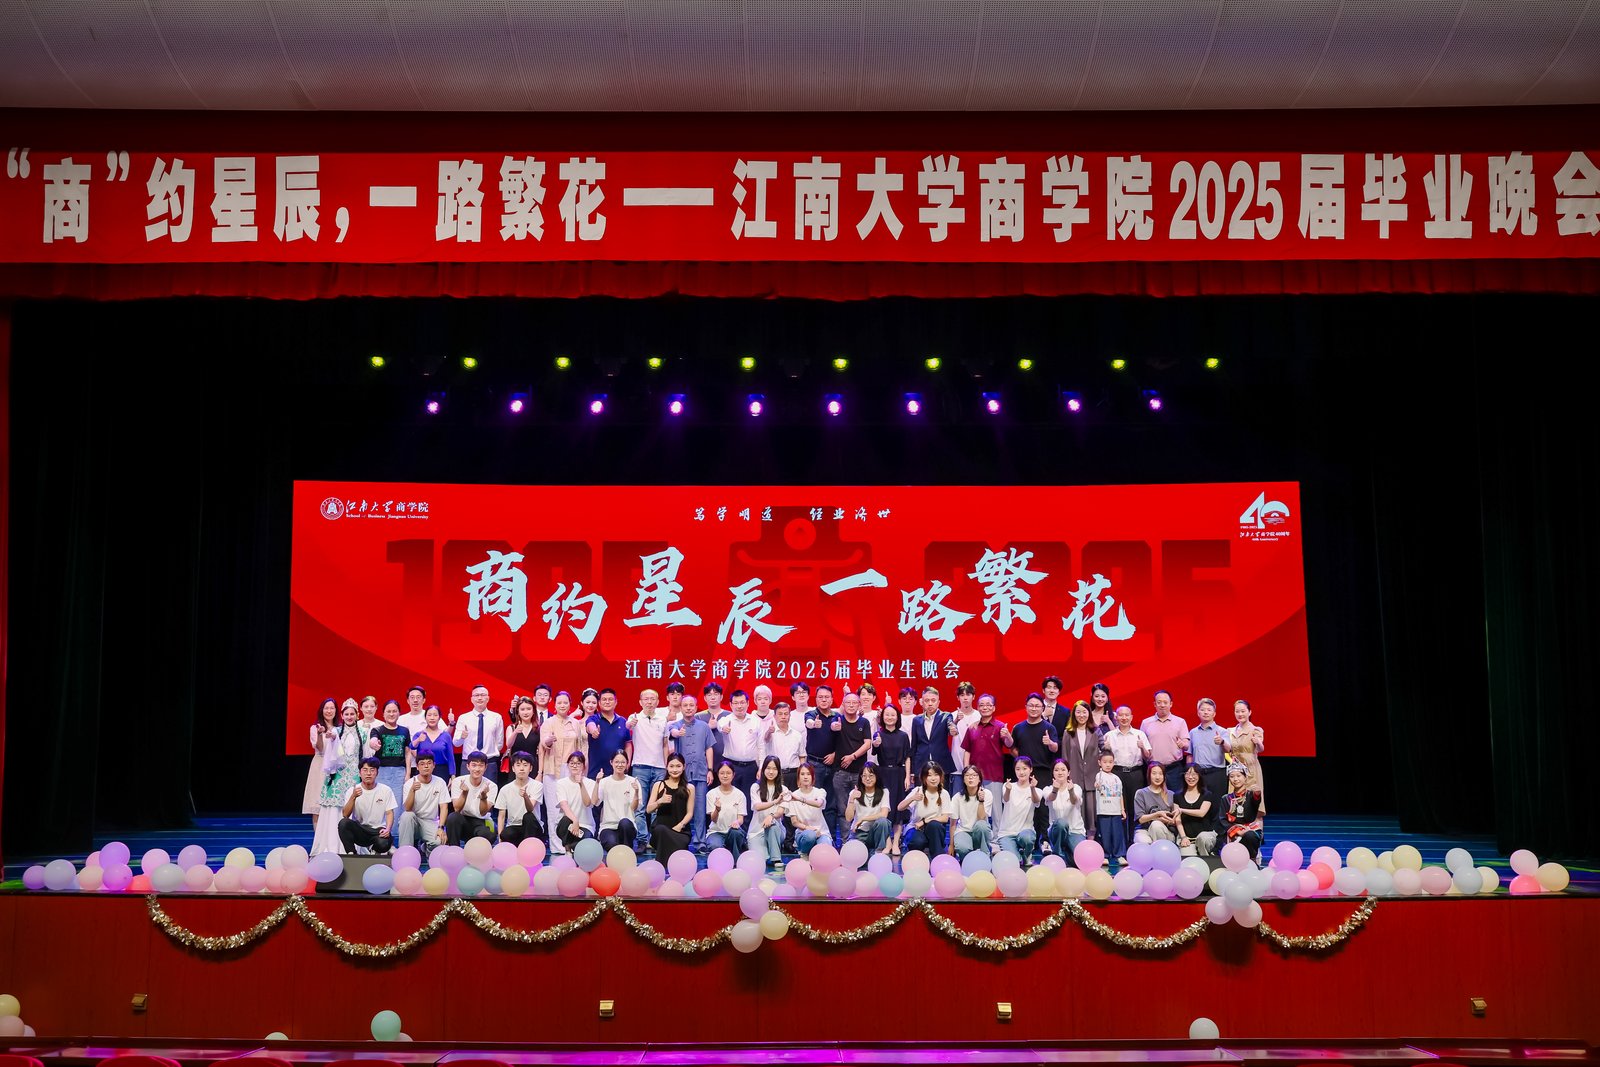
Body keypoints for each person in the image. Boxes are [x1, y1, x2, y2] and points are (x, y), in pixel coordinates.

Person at [1007, 693, 1060, 847]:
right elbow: (1012, 749)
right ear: (1026, 707)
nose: (1034, 708)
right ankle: (1028, 841)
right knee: (1026, 807)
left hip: (1043, 772)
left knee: (1043, 808)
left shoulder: (1049, 727)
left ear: (1042, 708)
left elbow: (1055, 748)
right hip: (1024, 773)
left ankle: (1044, 840)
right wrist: (1022, 762)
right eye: (1031, 705)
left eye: (1037, 706)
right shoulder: (1018, 727)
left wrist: (1050, 743)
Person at [313, 700, 363, 855]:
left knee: (353, 808)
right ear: (342, 715)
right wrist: (333, 739)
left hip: (355, 776)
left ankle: (354, 846)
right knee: (334, 810)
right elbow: (331, 754)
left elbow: (366, 754)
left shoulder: (363, 732)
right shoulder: (336, 730)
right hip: (338, 776)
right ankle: (333, 846)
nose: (349, 716)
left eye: (352, 714)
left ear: (357, 715)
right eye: (346, 714)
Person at [539, 690, 586, 853]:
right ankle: (556, 846)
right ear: (555, 705)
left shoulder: (575, 723)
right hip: (552, 770)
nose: (562, 705)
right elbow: (543, 744)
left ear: (570, 704)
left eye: (565, 702)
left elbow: (580, 747)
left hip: (571, 769)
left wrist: (581, 770)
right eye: (559, 702)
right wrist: (549, 741)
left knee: (570, 807)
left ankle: (570, 843)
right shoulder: (548, 723)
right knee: (553, 810)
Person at [669, 700, 714, 852]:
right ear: (681, 708)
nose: (688, 708)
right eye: (685, 706)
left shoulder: (704, 726)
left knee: (700, 809)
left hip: (701, 772)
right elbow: (672, 732)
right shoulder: (675, 725)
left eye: (691, 705)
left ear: (696, 708)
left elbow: (709, 748)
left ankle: (700, 841)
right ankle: (679, 839)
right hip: (681, 775)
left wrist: (710, 769)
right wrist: (677, 733)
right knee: (680, 808)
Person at [627, 688, 671, 842]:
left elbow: (665, 745)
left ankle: (655, 839)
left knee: (657, 806)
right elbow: (628, 726)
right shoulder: (634, 717)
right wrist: (631, 724)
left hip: (659, 768)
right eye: (646, 699)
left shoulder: (663, 720)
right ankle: (642, 839)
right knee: (640, 806)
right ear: (640, 702)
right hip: (640, 767)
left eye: (653, 699)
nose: (649, 702)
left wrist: (666, 766)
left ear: (658, 702)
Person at [830, 691, 874, 846]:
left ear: (859, 705)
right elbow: (832, 728)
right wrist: (834, 727)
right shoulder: (837, 719)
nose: (851, 705)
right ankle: (845, 841)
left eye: (854, 702)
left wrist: (852, 756)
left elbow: (867, 744)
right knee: (842, 809)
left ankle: (860, 841)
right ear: (843, 704)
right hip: (840, 772)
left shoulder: (864, 722)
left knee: (861, 807)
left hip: (860, 773)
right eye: (847, 702)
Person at [959, 693, 1007, 828]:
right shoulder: (972, 727)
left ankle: (997, 837)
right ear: (978, 708)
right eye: (981, 705)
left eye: (988, 705)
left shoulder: (1000, 726)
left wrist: (1008, 736)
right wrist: (966, 770)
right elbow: (967, 750)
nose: (985, 707)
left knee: (996, 811)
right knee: (976, 808)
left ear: (994, 708)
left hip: (994, 775)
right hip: (975, 777)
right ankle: (979, 834)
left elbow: (1009, 745)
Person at [1104, 706, 1152, 839]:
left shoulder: (1139, 734)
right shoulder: (1110, 735)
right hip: (1116, 773)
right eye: (1121, 715)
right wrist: (1106, 749)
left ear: (1131, 717)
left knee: (1134, 808)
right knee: (1118, 807)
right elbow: (1104, 758)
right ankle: (1120, 841)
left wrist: (1142, 747)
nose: (1124, 718)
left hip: (1135, 774)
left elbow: (1148, 756)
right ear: (1116, 717)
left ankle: (1133, 839)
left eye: (1127, 715)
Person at [874, 703, 913, 857]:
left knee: (898, 810)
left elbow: (908, 757)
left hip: (899, 773)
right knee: (884, 808)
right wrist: (876, 744)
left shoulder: (903, 736)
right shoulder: (878, 734)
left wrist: (907, 776)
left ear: (897, 717)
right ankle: (887, 843)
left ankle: (896, 842)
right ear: (882, 717)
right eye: (887, 714)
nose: (890, 717)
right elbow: (874, 750)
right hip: (882, 773)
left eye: (893, 715)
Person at [803, 684, 840, 842]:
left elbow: (843, 741)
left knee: (831, 804)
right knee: (813, 802)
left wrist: (835, 754)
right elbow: (809, 722)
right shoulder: (811, 714)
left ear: (831, 699)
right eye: (820, 697)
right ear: (816, 699)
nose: (824, 700)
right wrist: (814, 724)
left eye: (827, 697)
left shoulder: (837, 717)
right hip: (814, 765)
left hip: (833, 766)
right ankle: (812, 837)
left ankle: (830, 838)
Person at [339, 756, 397, 855]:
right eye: (365, 770)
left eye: (372, 770)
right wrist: (353, 797)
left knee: (384, 843)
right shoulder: (352, 790)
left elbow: (389, 813)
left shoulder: (386, 790)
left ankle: (374, 849)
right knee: (343, 823)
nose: (368, 773)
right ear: (359, 773)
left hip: (377, 830)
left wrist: (388, 829)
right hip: (360, 829)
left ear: (377, 773)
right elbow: (345, 815)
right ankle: (351, 853)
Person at [398, 751, 450, 859]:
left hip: (430, 821)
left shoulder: (440, 782)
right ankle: (405, 855)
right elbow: (407, 808)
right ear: (417, 767)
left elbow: (444, 807)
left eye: (429, 763)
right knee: (406, 816)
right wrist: (412, 790)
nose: (426, 766)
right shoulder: (409, 783)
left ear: (434, 765)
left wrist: (441, 827)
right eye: (422, 764)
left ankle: (426, 848)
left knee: (440, 841)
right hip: (413, 821)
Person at [646, 753, 695, 865]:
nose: (675, 769)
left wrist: (680, 825)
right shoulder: (659, 785)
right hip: (660, 830)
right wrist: (659, 801)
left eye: (678, 766)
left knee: (674, 842)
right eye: (671, 766)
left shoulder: (689, 788)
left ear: (684, 767)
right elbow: (648, 809)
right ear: (666, 767)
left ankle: (659, 864)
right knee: (661, 830)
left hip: (680, 832)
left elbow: (690, 813)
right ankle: (662, 866)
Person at [1062, 700, 1100, 841]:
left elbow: (1104, 751)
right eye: (1078, 712)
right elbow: (1065, 756)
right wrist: (1066, 777)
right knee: (1076, 809)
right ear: (1074, 714)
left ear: (1089, 714)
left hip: (1092, 777)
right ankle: (1076, 839)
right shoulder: (1068, 733)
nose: (1081, 715)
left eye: (1084, 712)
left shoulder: (1095, 731)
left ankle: (1091, 840)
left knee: (1091, 811)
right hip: (1075, 777)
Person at [453, 686, 505, 784]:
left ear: (488, 698)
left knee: (489, 791)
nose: (480, 698)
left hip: (489, 763)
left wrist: (489, 753)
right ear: (472, 699)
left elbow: (499, 742)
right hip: (469, 763)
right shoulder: (464, 718)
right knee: (466, 791)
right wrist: (462, 737)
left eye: (483, 695)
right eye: (476, 695)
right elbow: (456, 743)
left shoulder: (496, 717)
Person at [900, 763, 953, 857]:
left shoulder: (944, 793)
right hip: (916, 828)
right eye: (929, 775)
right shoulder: (918, 791)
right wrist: (912, 798)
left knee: (934, 825)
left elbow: (945, 818)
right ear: (924, 778)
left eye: (936, 775)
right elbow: (900, 807)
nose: (933, 778)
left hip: (934, 829)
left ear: (940, 776)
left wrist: (925, 821)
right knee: (918, 842)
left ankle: (937, 857)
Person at [996, 758, 1042, 865]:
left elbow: (1036, 801)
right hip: (1007, 833)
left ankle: (1026, 854)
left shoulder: (1037, 790)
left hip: (1025, 832)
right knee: (1014, 862)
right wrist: (1008, 789)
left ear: (1031, 769)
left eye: (1024, 768)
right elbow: (1005, 799)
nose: (1021, 772)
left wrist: (1032, 788)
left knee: (1028, 838)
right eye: (1018, 769)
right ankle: (1018, 854)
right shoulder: (1008, 786)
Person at [446, 752, 499, 845]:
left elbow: (483, 812)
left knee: (490, 833)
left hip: (482, 820)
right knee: (453, 817)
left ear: (485, 767)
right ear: (468, 766)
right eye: (474, 765)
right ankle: (454, 849)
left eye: (481, 765)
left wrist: (483, 797)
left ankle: (477, 851)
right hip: (463, 819)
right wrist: (464, 793)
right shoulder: (458, 781)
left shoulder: (492, 786)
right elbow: (457, 809)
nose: (477, 769)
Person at [494, 751, 546, 846]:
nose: (521, 768)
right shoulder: (505, 789)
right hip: (515, 826)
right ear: (513, 768)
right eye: (518, 765)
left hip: (533, 827)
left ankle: (528, 847)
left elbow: (530, 809)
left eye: (525, 765)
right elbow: (501, 816)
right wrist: (500, 839)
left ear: (530, 768)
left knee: (528, 816)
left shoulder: (537, 785)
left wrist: (525, 796)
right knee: (505, 834)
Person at [595, 749, 641, 853]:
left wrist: (636, 792)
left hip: (627, 826)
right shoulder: (604, 782)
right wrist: (597, 782)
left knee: (625, 823)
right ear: (611, 762)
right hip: (608, 826)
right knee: (612, 844)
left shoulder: (633, 781)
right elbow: (595, 802)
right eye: (616, 762)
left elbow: (634, 808)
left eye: (623, 762)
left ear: (627, 763)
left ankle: (627, 853)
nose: (620, 765)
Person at [1139, 691, 1190, 786]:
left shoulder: (1180, 722)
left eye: (1165, 702)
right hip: (1153, 768)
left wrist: (1183, 744)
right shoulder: (1146, 723)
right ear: (1155, 704)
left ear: (1171, 704)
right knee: (1154, 795)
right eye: (1159, 702)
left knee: (1175, 795)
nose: (1162, 705)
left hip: (1174, 769)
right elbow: (1142, 747)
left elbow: (1187, 745)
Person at [749, 756, 790, 871]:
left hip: (776, 830)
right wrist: (775, 802)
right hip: (757, 831)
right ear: (763, 769)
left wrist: (771, 816)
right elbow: (757, 806)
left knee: (772, 826)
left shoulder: (784, 789)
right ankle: (768, 851)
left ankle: (776, 859)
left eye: (774, 769)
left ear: (779, 771)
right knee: (759, 861)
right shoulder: (755, 787)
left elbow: (780, 812)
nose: (771, 772)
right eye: (768, 768)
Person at [718, 689, 763, 795]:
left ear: (748, 703)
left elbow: (762, 746)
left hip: (751, 767)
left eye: (742, 702)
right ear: (730, 705)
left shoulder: (756, 721)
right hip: (730, 766)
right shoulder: (726, 720)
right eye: (736, 703)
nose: (739, 706)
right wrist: (724, 728)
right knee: (729, 797)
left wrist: (761, 768)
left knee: (749, 798)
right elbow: (720, 725)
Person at [370, 699, 411, 809]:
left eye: (394, 711)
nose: (391, 714)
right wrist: (374, 743)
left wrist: (408, 774)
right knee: (381, 803)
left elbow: (408, 753)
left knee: (398, 804)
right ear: (383, 714)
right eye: (388, 711)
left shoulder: (404, 731)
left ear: (399, 713)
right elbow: (373, 741)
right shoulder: (377, 730)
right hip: (382, 772)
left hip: (399, 772)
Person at [304, 699, 338, 830]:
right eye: (326, 708)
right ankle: (317, 838)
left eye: (332, 708)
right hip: (320, 766)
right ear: (321, 711)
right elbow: (320, 748)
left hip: (335, 766)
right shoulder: (315, 728)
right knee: (317, 804)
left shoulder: (339, 728)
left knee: (334, 805)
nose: (329, 711)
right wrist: (320, 734)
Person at [1187, 697, 1229, 803]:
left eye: (1209, 710)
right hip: (1198, 774)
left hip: (1217, 773)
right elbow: (1189, 755)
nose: (1206, 712)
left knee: (1217, 804)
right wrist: (1189, 772)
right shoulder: (1193, 732)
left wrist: (1222, 742)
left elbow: (1228, 749)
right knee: (1199, 803)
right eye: (1202, 710)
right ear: (1198, 713)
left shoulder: (1222, 731)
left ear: (1214, 713)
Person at [1044, 759, 1087, 860]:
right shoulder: (1048, 789)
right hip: (1057, 831)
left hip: (1075, 831)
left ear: (1068, 772)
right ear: (1053, 773)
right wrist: (1055, 790)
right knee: (1061, 823)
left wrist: (1071, 791)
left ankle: (1067, 854)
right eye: (1056, 770)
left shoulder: (1076, 787)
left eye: (1063, 770)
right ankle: (1057, 854)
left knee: (1080, 859)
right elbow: (1050, 798)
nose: (1060, 772)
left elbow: (1074, 800)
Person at [910, 686, 957, 779]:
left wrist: (953, 730)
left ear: (938, 702)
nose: (930, 703)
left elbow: (950, 725)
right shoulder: (916, 720)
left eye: (933, 700)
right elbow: (914, 746)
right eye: (927, 701)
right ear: (922, 702)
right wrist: (913, 771)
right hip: (921, 766)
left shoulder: (946, 716)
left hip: (942, 765)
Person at [1220, 763, 1264, 862]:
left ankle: (1252, 861)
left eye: (1238, 776)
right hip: (1233, 831)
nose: (1235, 779)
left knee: (1250, 836)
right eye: (1232, 776)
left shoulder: (1251, 795)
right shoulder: (1226, 798)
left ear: (1245, 778)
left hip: (1250, 829)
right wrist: (1237, 831)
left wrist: (1257, 793)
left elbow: (1256, 800)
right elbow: (1223, 820)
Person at [554, 751, 597, 851]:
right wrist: (575, 821)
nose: (574, 766)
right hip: (567, 824)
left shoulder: (590, 783)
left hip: (585, 825)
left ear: (583, 766)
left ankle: (572, 848)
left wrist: (581, 784)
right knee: (565, 820)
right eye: (572, 763)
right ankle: (567, 849)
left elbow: (587, 803)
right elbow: (564, 805)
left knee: (586, 842)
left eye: (578, 763)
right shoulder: (561, 783)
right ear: (568, 765)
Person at [705, 761, 749, 859]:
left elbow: (741, 819)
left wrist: (737, 822)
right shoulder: (711, 794)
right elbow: (713, 819)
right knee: (715, 845)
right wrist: (717, 809)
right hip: (716, 832)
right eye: (722, 773)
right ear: (718, 774)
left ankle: (735, 861)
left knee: (736, 833)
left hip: (733, 831)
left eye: (728, 773)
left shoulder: (740, 794)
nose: (725, 776)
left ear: (733, 775)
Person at [1226, 699, 1266, 804]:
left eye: (1243, 711)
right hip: (1236, 769)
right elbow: (1227, 752)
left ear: (1249, 712)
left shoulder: (1255, 730)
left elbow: (1260, 749)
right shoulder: (1230, 731)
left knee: (1252, 796)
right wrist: (1231, 761)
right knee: (1235, 797)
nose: (1240, 714)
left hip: (1250, 768)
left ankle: (1255, 813)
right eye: (1237, 711)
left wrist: (1258, 742)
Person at [845, 762, 891, 854]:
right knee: (855, 856)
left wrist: (863, 818)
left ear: (877, 776)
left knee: (883, 822)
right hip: (859, 832)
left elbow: (884, 814)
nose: (867, 778)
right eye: (864, 776)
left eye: (871, 775)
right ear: (861, 778)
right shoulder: (854, 793)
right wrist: (852, 799)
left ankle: (878, 851)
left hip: (875, 832)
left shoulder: (884, 792)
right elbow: (848, 818)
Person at [1173, 764, 1218, 857]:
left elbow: (1201, 813)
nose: (1190, 777)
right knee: (1187, 857)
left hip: (1205, 835)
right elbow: (1177, 820)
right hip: (1188, 838)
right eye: (1187, 774)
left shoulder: (1207, 794)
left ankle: (1207, 858)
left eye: (1194, 774)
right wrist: (1183, 837)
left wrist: (1181, 810)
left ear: (1199, 776)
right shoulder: (1177, 796)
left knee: (1203, 838)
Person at [949, 765, 993, 860]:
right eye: (967, 775)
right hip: (963, 831)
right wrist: (951, 845)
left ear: (979, 779)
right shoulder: (957, 797)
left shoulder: (987, 794)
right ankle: (967, 858)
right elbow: (953, 824)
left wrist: (981, 801)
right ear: (963, 779)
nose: (970, 777)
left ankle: (985, 855)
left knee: (982, 825)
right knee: (962, 848)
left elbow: (982, 818)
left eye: (974, 775)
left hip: (979, 832)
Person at [786, 763, 830, 857]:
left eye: (808, 774)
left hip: (821, 832)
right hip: (803, 833)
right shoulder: (793, 795)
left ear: (813, 777)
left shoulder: (820, 792)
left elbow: (818, 804)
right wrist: (808, 828)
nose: (805, 777)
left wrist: (800, 799)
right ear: (798, 777)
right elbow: (794, 822)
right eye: (802, 774)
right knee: (810, 836)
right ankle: (804, 854)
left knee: (825, 850)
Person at [1094, 750, 1127, 865]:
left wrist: (1122, 810)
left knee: (1117, 834)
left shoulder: (1117, 778)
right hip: (1104, 811)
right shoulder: (1099, 775)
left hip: (1116, 811)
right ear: (1100, 763)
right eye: (1105, 762)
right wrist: (1097, 785)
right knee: (1105, 834)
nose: (1108, 765)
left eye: (1110, 762)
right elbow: (1097, 784)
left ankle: (1119, 854)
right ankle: (1105, 855)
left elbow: (1120, 794)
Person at [1132, 762, 1179, 844]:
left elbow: (1175, 820)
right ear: (1149, 775)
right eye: (1154, 773)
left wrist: (1167, 821)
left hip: (1164, 831)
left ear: (1164, 776)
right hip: (1144, 830)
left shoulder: (1171, 794)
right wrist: (1157, 814)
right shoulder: (1141, 793)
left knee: (1156, 825)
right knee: (1143, 841)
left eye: (1160, 774)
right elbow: (1141, 819)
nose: (1157, 777)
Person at [409, 704, 455, 782]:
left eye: (435, 715)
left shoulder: (446, 736)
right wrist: (418, 740)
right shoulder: (419, 734)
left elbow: (450, 757)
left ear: (439, 717)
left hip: (442, 771)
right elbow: (412, 746)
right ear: (425, 717)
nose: (432, 718)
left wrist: (453, 775)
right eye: (429, 715)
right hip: (423, 770)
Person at [504, 696, 542, 778]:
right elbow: (508, 745)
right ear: (518, 711)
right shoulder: (512, 728)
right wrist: (515, 732)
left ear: (533, 711)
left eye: (528, 709)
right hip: (516, 767)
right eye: (522, 709)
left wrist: (540, 773)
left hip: (533, 767)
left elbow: (541, 752)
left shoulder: (538, 729)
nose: (526, 712)